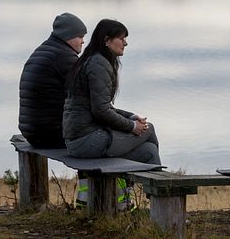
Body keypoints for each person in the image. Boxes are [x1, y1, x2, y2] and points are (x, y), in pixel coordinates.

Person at [63, 18, 160, 165]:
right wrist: (132, 126)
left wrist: (131, 117)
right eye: (121, 39)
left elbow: (102, 105)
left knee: (149, 151)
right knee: (149, 129)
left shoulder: (91, 60)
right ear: (107, 40)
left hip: (79, 139)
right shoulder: (98, 63)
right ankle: (167, 187)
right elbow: (101, 111)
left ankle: (126, 188)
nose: (125, 43)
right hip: (86, 140)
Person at [19, 12, 87, 148]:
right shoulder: (64, 57)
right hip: (53, 135)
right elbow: (89, 97)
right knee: (113, 137)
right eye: (80, 36)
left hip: (33, 133)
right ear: (68, 35)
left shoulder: (43, 50)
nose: (83, 41)